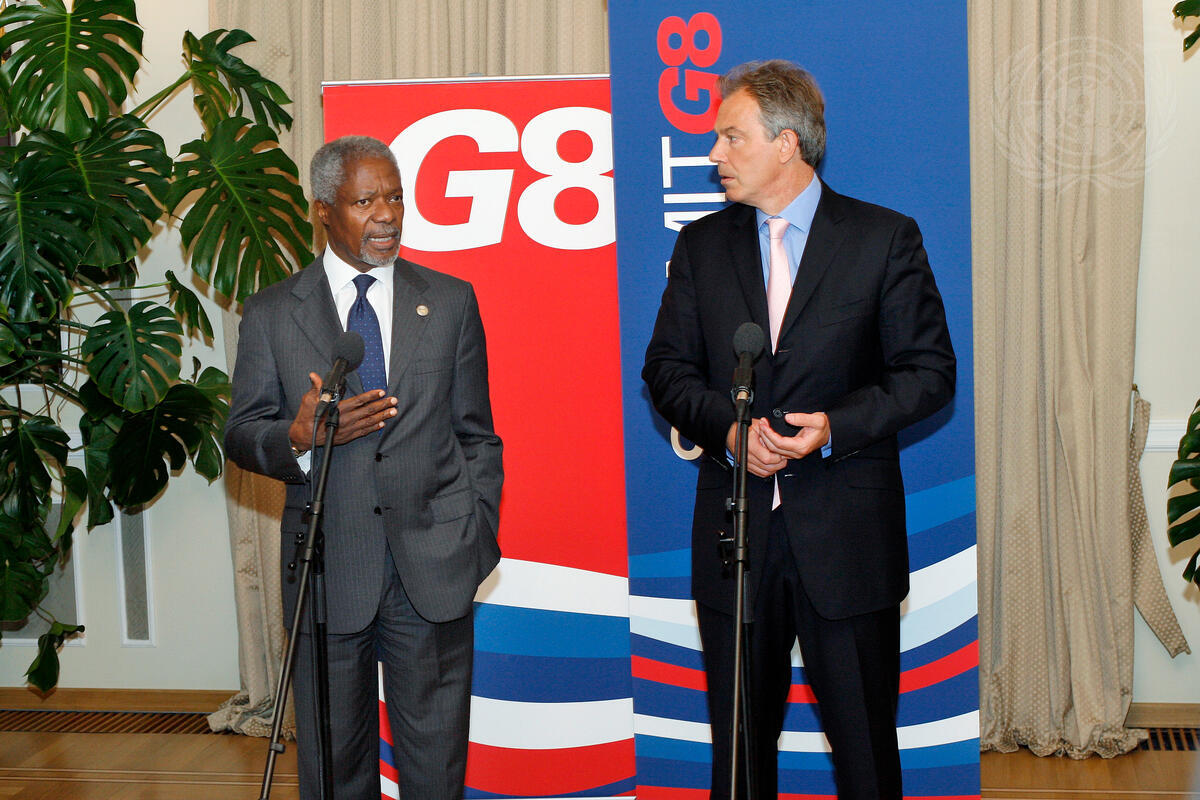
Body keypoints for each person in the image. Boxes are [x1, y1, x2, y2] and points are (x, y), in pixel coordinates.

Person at [642, 61, 955, 799]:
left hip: (848, 540)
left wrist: (834, 427)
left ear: (786, 144)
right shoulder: (701, 246)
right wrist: (729, 433)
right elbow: (666, 369)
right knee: (741, 760)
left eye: (731, 137)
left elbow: (928, 372)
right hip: (737, 540)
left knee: (866, 758)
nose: (715, 153)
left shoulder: (883, 238)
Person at [225, 135, 503, 800]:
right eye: (365, 201)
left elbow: (477, 436)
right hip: (327, 571)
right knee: (334, 771)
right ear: (323, 209)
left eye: (395, 198)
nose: (386, 215)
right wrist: (298, 437)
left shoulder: (451, 301)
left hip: (432, 570)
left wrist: (474, 537)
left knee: (435, 772)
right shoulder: (272, 313)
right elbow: (240, 434)